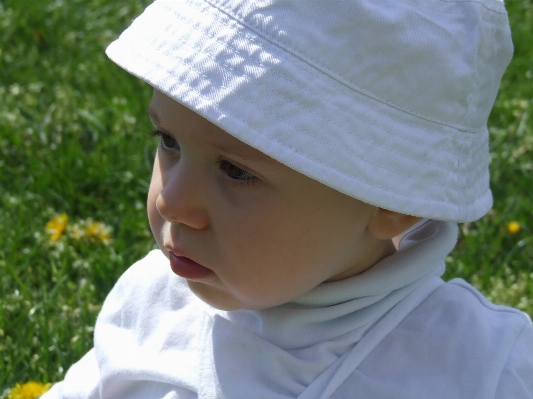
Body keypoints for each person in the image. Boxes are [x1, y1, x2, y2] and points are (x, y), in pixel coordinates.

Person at [41, 0, 533, 398]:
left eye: (236, 171)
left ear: (396, 201)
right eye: (168, 141)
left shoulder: (484, 367)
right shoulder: (152, 306)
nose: (171, 202)